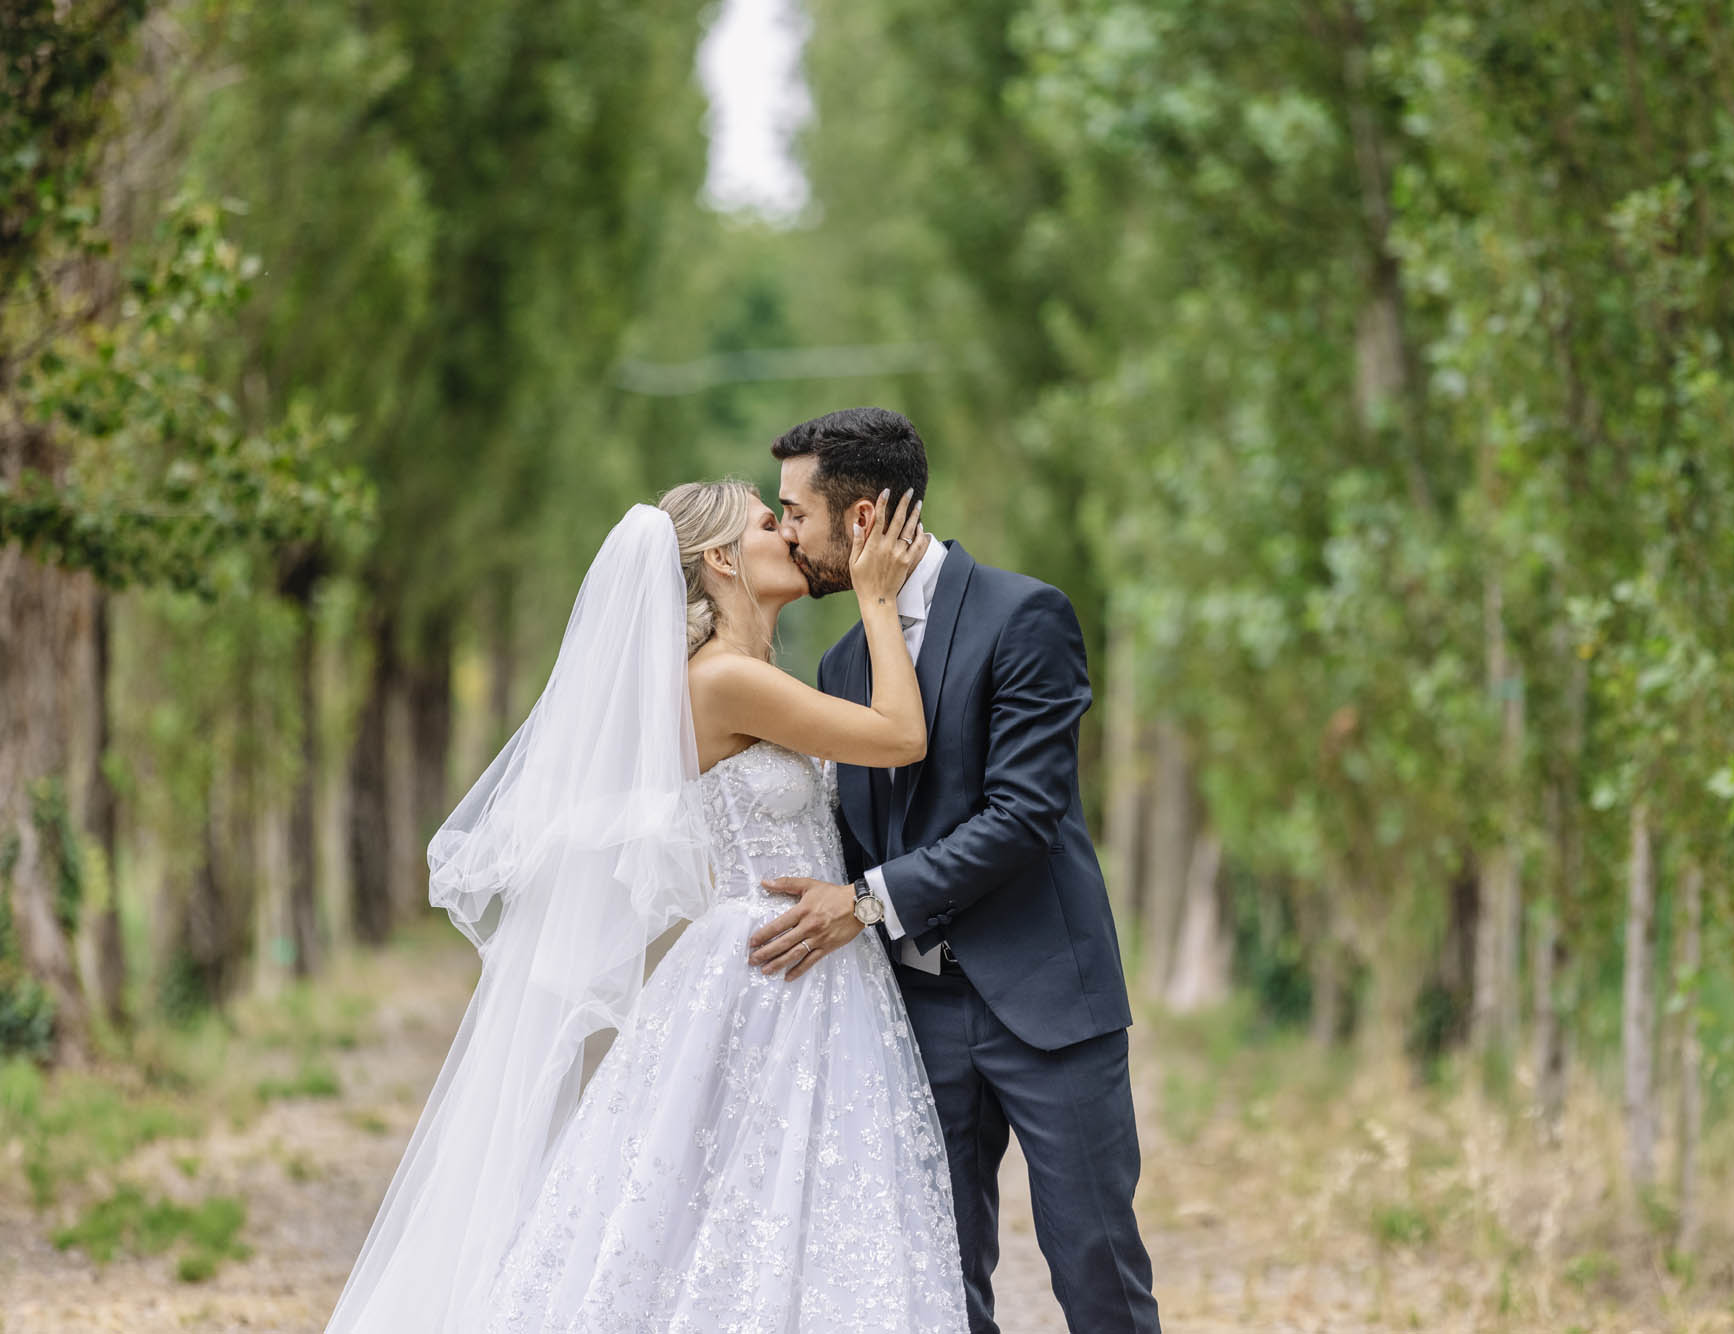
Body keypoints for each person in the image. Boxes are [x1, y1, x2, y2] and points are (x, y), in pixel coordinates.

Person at [324, 481, 966, 1333]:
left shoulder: (754, 672)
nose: (790, 534)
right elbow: (898, 737)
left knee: (771, 1214)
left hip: (809, 961)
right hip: (766, 971)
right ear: (722, 559)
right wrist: (880, 601)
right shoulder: (725, 679)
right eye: (769, 523)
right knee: (738, 1207)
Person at [752, 407, 1161, 1333]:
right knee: (936, 1284)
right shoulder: (842, 659)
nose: (784, 533)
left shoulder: (1028, 616)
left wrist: (864, 902)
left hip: (1050, 1006)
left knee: (1098, 1276)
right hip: (913, 1017)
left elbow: (1023, 817)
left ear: (859, 523)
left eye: (793, 512)